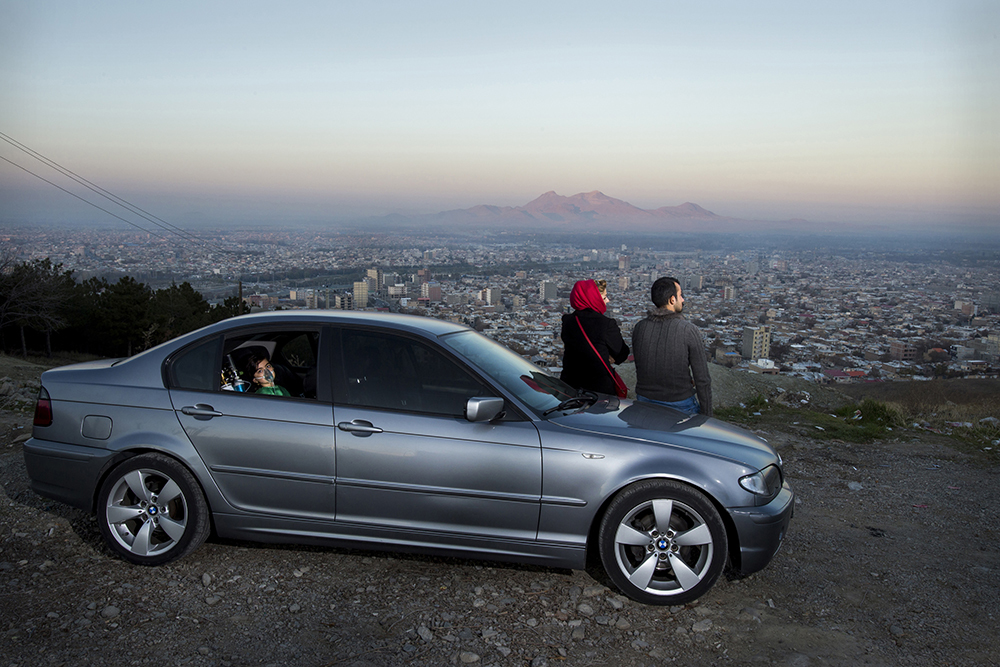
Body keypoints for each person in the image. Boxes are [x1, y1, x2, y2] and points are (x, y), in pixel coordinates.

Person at [632, 276, 712, 417]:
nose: (683, 300)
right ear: (671, 299)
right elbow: (702, 379)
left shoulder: (640, 328)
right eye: (680, 295)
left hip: (644, 402)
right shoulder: (688, 330)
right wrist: (707, 416)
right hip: (679, 403)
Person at [560, 279, 630, 395]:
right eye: (604, 297)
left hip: (570, 387)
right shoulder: (606, 324)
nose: (608, 300)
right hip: (598, 389)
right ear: (594, 299)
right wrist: (609, 357)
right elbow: (622, 352)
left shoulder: (568, 321)